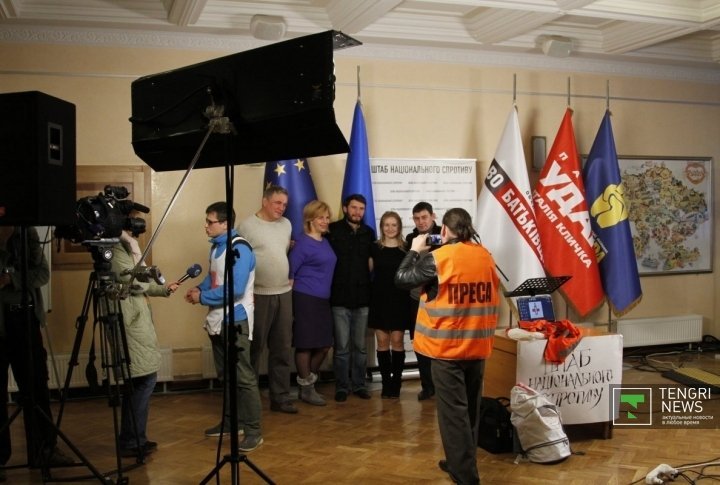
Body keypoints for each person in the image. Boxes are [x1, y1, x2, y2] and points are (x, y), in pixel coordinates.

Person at [395, 208, 500, 485]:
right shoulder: (485, 255)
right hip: (477, 346)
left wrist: (416, 250)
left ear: (443, 230)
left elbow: (402, 279)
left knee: (453, 414)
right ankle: (459, 460)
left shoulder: (438, 258)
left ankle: (465, 476)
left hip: (447, 350)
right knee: (470, 412)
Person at [184, 202, 263, 452]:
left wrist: (203, 298)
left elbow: (236, 289)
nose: (206, 225)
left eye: (210, 221)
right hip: (217, 320)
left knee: (244, 377)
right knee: (226, 376)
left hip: (236, 320)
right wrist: (201, 288)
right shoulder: (217, 248)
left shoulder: (239, 249)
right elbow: (214, 277)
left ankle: (253, 431)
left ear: (225, 223)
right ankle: (231, 423)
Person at [0, 226, 72, 479]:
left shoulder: (26, 232)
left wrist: (12, 279)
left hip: (24, 318)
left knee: (36, 386)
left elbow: (42, 273)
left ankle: (44, 449)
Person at [112, 227, 176, 458]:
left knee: (140, 381)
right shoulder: (117, 249)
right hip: (130, 322)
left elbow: (140, 282)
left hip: (135, 319)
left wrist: (163, 289)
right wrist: (133, 246)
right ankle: (131, 440)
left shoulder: (122, 248)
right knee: (142, 379)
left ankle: (134, 437)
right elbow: (135, 281)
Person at [237, 186, 297, 414]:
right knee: (253, 348)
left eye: (284, 204)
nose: (281, 208)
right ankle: (248, 400)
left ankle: (280, 398)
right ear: (264, 201)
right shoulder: (246, 226)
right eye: (277, 203)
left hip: (283, 293)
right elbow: (240, 260)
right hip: (257, 296)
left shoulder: (287, 225)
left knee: (282, 348)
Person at [326, 194, 375, 402]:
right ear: (345, 208)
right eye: (354, 208)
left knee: (360, 347)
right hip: (339, 297)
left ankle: (359, 384)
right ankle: (342, 386)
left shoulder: (368, 232)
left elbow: (373, 262)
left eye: (361, 209)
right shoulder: (333, 230)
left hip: (363, 297)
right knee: (342, 346)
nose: (357, 212)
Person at [288, 200, 337, 406]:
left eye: (327, 217)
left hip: (322, 300)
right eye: (321, 218)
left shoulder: (324, 241)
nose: (325, 221)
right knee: (306, 344)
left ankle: (308, 383)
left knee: (325, 344)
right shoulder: (301, 244)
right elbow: (289, 273)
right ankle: (307, 389)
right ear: (310, 219)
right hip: (305, 298)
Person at [368, 211, 413, 399]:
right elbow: (369, 272)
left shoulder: (407, 248)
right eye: (386, 224)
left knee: (397, 341)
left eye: (394, 225)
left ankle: (396, 383)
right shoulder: (374, 248)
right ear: (381, 227)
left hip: (400, 300)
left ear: (399, 227)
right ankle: (386, 383)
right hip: (379, 299)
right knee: (382, 343)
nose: (390, 228)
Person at [404, 201, 441, 401]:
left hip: (439, 299)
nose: (421, 221)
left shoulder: (444, 235)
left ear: (433, 216)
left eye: (424, 217)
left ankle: (441, 385)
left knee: (439, 344)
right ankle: (427, 386)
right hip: (415, 299)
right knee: (419, 343)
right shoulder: (411, 238)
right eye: (417, 218)